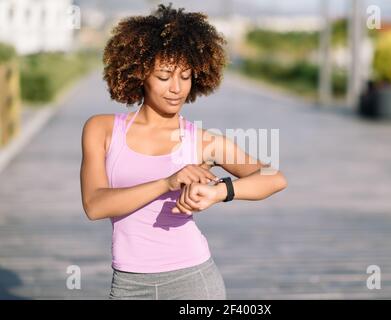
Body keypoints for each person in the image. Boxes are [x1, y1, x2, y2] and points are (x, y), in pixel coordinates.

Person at [80, 3, 287, 300]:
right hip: (127, 285)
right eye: (164, 77)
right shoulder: (102, 129)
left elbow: (274, 178)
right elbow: (95, 205)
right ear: (140, 75)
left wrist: (219, 192)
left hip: (194, 282)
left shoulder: (202, 141)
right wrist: (167, 182)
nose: (176, 88)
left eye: (186, 76)